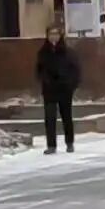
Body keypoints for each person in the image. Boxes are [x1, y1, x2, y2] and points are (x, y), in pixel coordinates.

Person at [35, 25, 79, 154]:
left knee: (66, 116)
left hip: (64, 89)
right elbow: (39, 71)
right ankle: (51, 145)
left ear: (60, 36)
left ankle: (69, 143)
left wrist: (70, 84)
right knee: (49, 118)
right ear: (47, 36)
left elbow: (75, 70)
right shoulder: (42, 53)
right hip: (49, 90)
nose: (53, 36)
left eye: (56, 34)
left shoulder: (68, 52)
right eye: (51, 34)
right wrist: (45, 81)